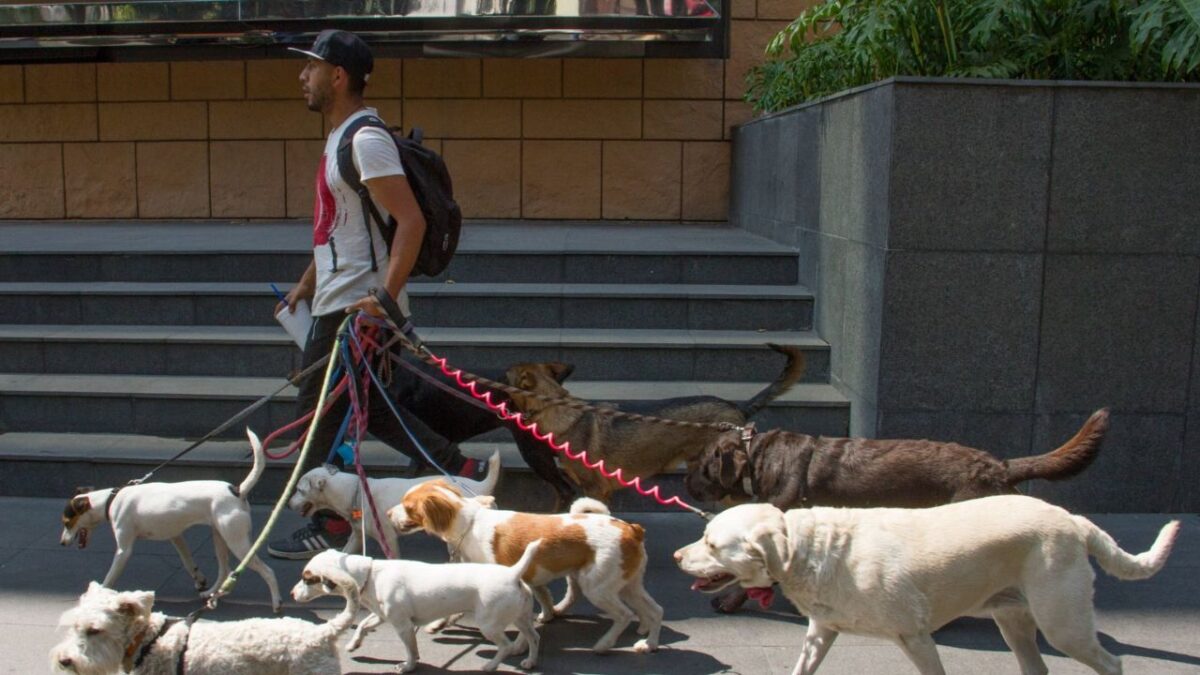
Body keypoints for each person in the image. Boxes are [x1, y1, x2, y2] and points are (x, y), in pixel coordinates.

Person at [268, 29, 486, 560]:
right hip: (337, 300)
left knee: (317, 419)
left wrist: (383, 302)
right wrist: (306, 281)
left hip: (356, 310)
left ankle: (331, 523)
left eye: (311, 68)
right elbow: (340, 228)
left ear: (338, 76)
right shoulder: (341, 135)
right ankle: (459, 468)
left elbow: (408, 222)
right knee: (369, 408)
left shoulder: (365, 139)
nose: (303, 77)